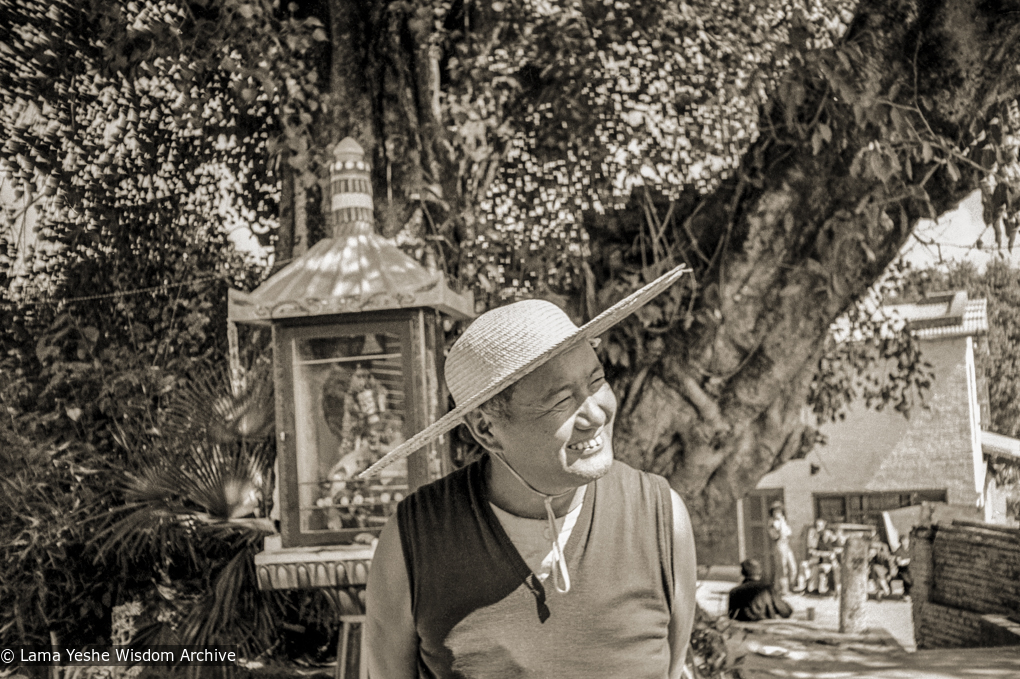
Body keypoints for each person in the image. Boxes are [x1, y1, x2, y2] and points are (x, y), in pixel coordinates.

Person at [361, 266, 698, 678]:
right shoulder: (414, 541)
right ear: (486, 429)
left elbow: (674, 665)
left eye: (596, 382)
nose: (594, 413)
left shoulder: (660, 518)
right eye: (561, 401)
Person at [728, 559, 793, 622]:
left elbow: (731, 616)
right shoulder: (767, 589)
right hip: (765, 629)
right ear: (759, 572)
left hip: (743, 630)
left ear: (742, 573)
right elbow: (786, 612)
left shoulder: (734, 592)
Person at [767, 502, 797, 596]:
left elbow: (789, 533)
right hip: (779, 545)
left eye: (779, 511)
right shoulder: (772, 522)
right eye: (776, 511)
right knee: (782, 568)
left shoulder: (783, 521)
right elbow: (776, 535)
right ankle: (783, 589)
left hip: (786, 545)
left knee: (793, 567)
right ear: (772, 513)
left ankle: (790, 586)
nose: (778, 513)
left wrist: (783, 523)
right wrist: (780, 526)